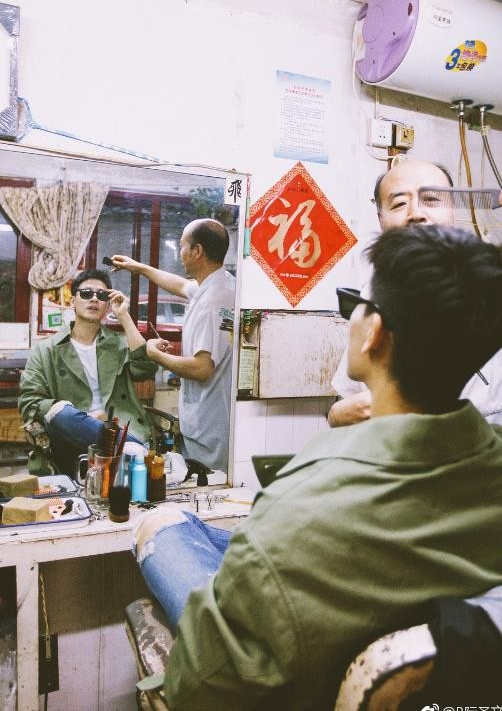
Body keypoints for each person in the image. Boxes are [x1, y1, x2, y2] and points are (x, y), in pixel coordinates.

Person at [132, 224, 502, 710]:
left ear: (373, 334)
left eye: (356, 305)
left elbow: (200, 685)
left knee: (163, 528)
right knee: (202, 532)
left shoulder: (303, 502)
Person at [328, 158, 502, 427]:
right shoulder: (372, 295)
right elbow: (347, 396)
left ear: (453, 211)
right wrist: (338, 414)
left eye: (431, 199)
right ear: (380, 219)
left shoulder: (490, 288)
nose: (416, 213)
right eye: (399, 203)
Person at [111, 218, 235, 472]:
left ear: (197, 251)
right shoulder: (222, 283)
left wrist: (154, 354)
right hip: (211, 417)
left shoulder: (211, 303)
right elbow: (180, 285)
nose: (180, 253)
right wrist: (138, 267)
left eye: (182, 246)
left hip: (208, 422)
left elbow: (202, 368)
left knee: (207, 483)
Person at [18, 269, 156, 475]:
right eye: (86, 293)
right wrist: (85, 419)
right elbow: (29, 402)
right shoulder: (46, 349)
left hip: (118, 427)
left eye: (102, 295)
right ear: (73, 301)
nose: (94, 299)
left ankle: (129, 449)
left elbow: (144, 370)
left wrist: (124, 317)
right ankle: (134, 453)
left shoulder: (119, 343)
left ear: (107, 305)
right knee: (59, 412)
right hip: (73, 434)